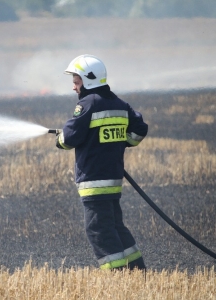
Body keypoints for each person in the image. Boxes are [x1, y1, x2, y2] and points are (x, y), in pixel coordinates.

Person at [56, 54, 148, 271]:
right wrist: (118, 143)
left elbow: (68, 139)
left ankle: (117, 276)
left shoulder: (88, 104)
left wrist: (60, 139)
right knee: (115, 226)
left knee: (98, 229)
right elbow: (139, 130)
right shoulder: (118, 103)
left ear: (88, 81)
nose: (74, 88)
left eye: (76, 82)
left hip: (93, 181)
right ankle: (137, 271)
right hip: (113, 180)